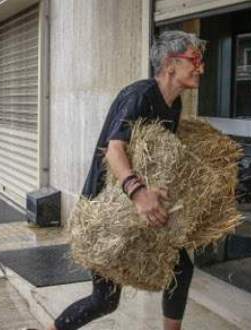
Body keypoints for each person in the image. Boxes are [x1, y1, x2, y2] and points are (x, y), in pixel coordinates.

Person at [49, 30, 206, 330]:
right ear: (171, 64)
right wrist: (139, 193)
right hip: (106, 208)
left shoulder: (173, 105)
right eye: (195, 60)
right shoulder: (140, 96)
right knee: (105, 299)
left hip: (138, 206)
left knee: (181, 267)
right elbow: (114, 150)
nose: (201, 67)